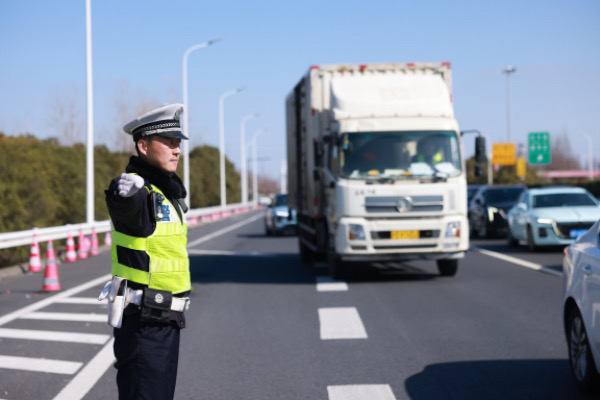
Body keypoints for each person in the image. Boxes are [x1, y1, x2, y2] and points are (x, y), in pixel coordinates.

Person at [103, 103, 191, 400]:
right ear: (143, 145)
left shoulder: (165, 193)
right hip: (143, 321)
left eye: (178, 143)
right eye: (168, 143)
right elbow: (125, 203)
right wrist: (126, 194)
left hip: (166, 321)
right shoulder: (135, 190)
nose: (176, 150)